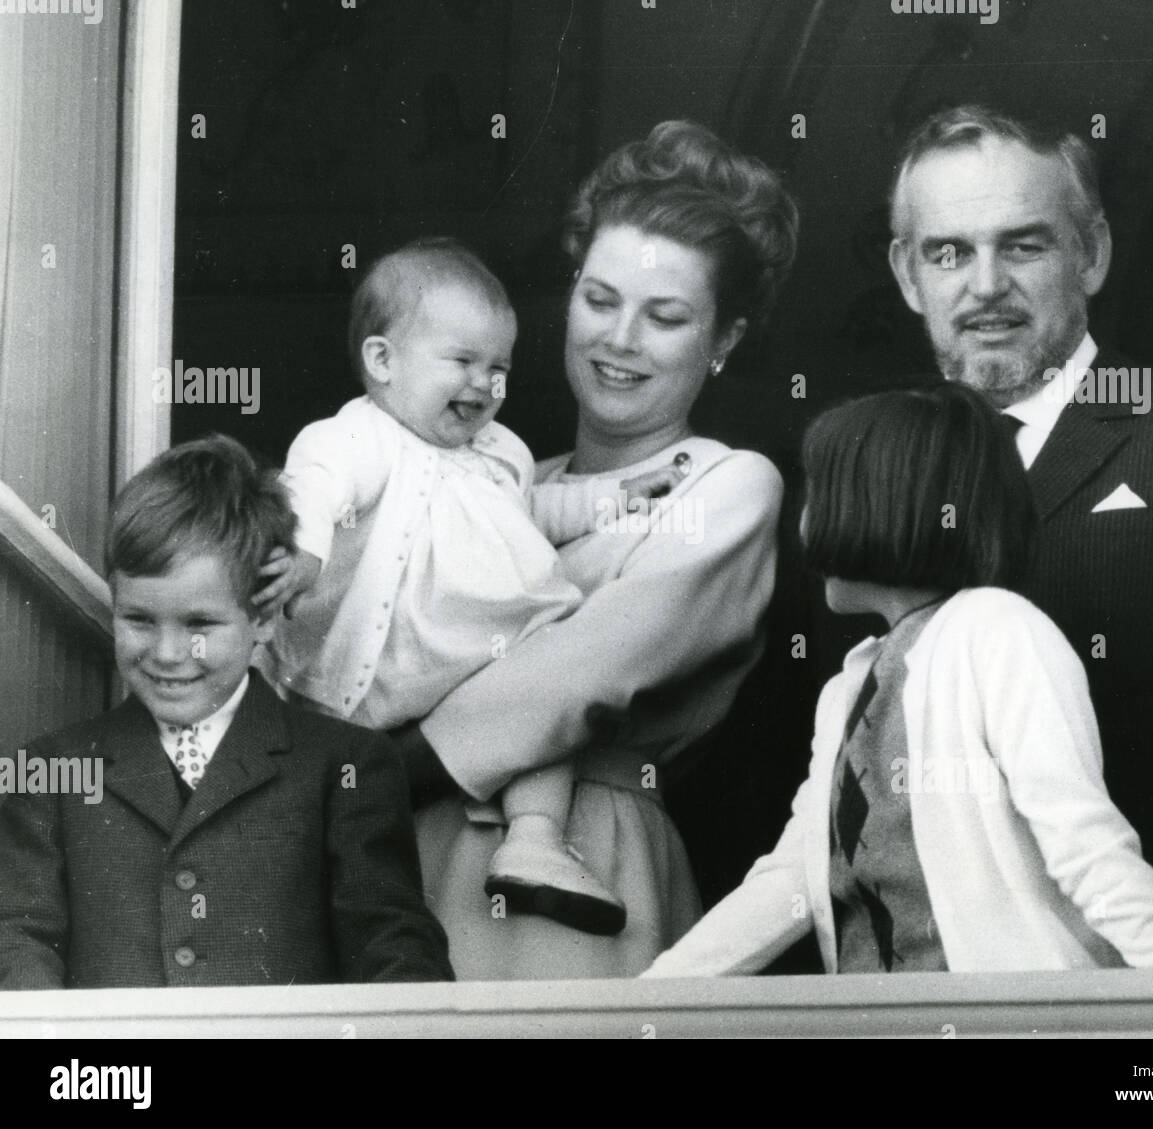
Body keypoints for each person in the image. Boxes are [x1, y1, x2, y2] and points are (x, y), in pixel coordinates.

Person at [885, 104, 1153, 965]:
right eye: (949, 251)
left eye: (1024, 244)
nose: (985, 283)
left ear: (1094, 252)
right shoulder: (869, 475)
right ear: (906, 274)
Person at [402, 120, 798, 979]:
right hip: (407, 846)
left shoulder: (729, 486)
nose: (620, 339)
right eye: (600, 299)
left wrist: (359, 773)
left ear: (724, 340)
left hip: (579, 859)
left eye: (665, 316)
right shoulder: (500, 482)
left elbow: (579, 672)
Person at [644, 385, 1153, 976]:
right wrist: (644, 1000)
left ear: (885, 501)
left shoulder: (998, 630)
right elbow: (791, 878)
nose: (804, 523)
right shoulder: (846, 691)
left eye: (821, 491)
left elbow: (1090, 848)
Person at [255, 238, 679, 936]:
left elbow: (536, 513)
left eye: (499, 368)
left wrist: (615, 496)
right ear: (383, 362)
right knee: (320, 813)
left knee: (542, 704)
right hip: (375, 672)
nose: (484, 384)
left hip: (474, 668)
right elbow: (314, 490)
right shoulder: (358, 438)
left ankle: (535, 841)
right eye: (461, 362)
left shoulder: (502, 451)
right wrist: (302, 551)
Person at [0, 436, 454, 989]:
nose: (167, 654)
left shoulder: (346, 767)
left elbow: (392, 944)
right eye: (139, 620)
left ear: (261, 620)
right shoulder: (47, 772)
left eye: (199, 625)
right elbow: (18, 942)